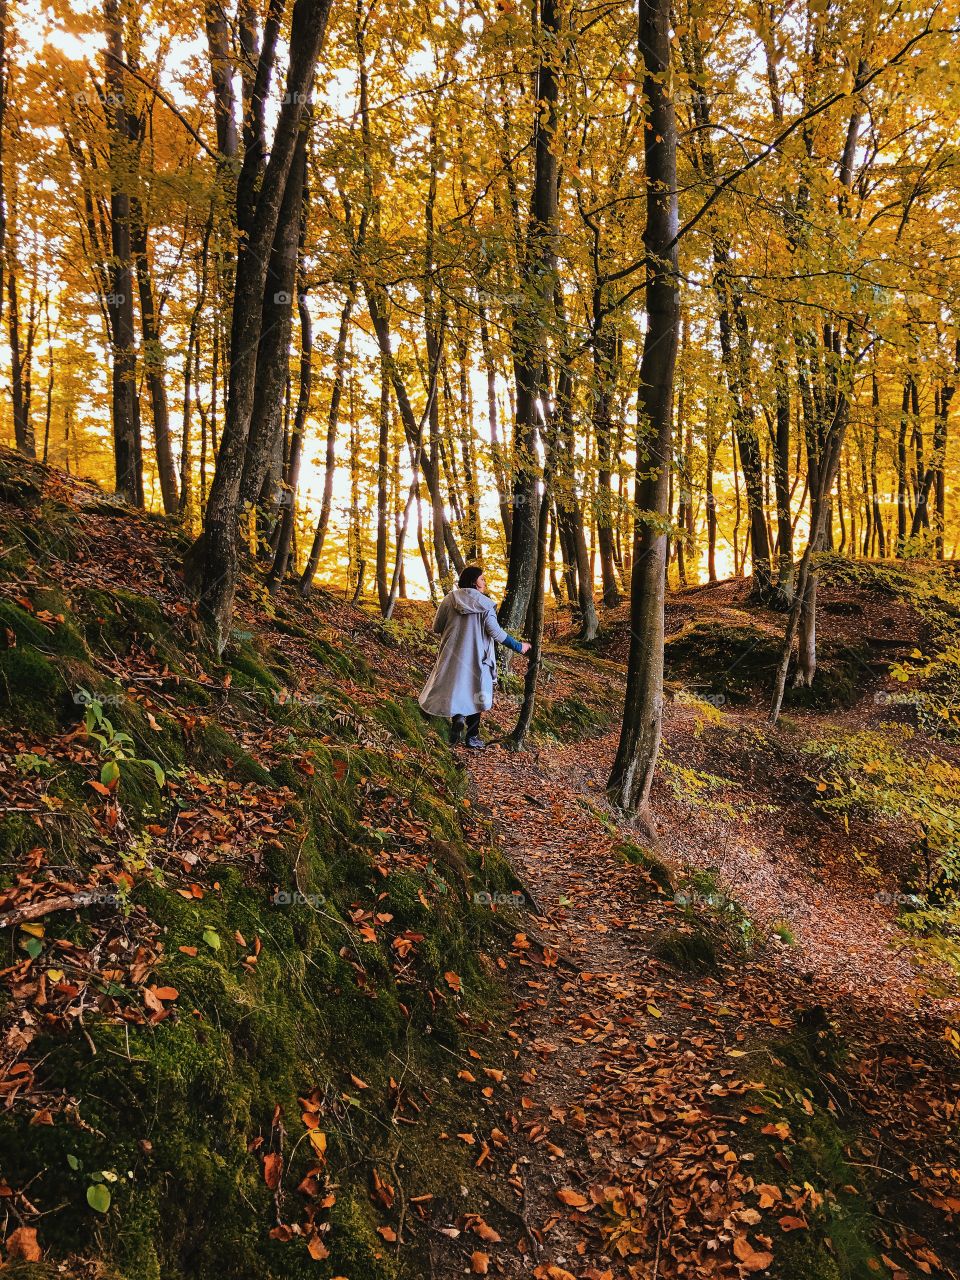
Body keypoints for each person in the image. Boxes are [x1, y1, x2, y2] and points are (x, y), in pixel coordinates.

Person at [418, 566, 531, 749]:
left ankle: (458, 717)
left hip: (452, 653)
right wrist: (519, 646)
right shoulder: (486, 604)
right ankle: (472, 737)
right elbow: (495, 632)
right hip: (478, 656)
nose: (485, 582)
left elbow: (437, 627)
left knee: (457, 688)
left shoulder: (449, 599)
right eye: (482, 579)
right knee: (477, 692)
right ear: (473, 581)